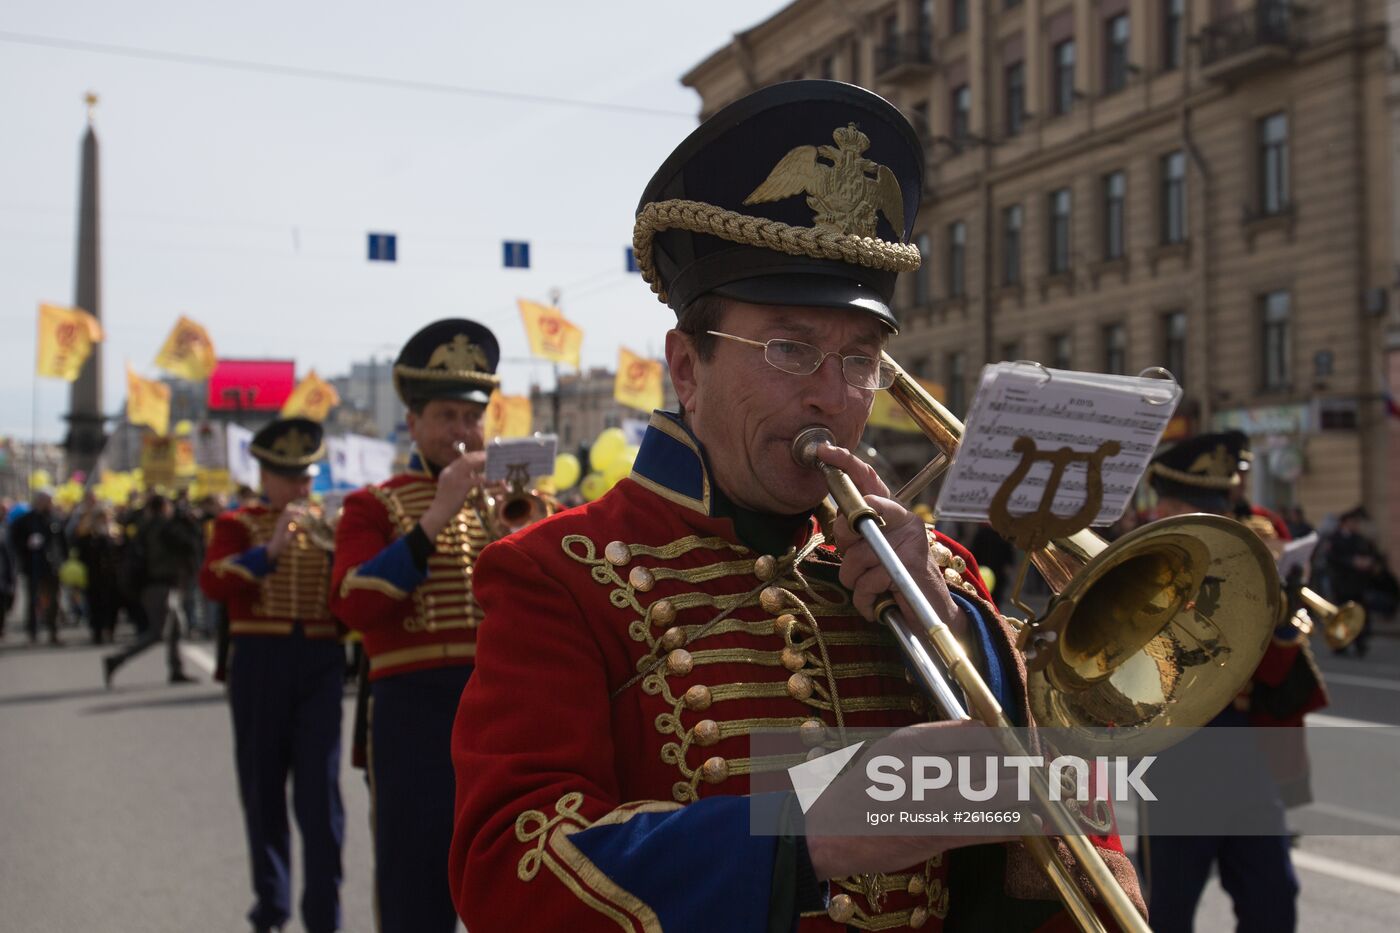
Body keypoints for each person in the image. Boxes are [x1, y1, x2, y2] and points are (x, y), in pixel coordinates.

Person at [448, 81, 1141, 931]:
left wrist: (960, 636)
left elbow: (1071, 847)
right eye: (788, 348)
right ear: (687, 365)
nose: (832, 397)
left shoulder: (938, 574)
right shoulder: (554, 574)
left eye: (858, 359)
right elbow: (508, 873)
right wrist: (809, 827)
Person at [329, 318, 502, 933]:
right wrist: (433, 518)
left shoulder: (512, 499)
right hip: (411, 712)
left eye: (471, 416)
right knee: (413, 878)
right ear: (413, 425)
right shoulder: (374, 505)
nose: (461, 431)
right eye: (447, 416)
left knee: (511, 869)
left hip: (498, 705)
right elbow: (352, 600)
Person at [1138, 430, 1327, 933]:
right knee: (1167, 908)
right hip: (1177, 749)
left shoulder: (1248, 551)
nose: (1217, 518)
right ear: (1166, 507)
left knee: (1273, 897)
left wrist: (1281, 617)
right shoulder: (1144, 560)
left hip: (1244, 749)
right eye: (1194, 507)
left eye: (1218, 506)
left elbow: (1272, 674)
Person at [199, 418, 345, 933]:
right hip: (261, 660)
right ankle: (272, 908)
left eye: (306, 477)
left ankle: (325, 916)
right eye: (289, 477)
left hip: (321, 662)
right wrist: (272, 550)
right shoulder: (240, 525)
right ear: (265, 475)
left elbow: (350, 600)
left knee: (320, 796)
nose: (301, 488)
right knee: (263, 791)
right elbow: (215, 582)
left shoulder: (331, 525)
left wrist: (336, 553)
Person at [102, 492, 202, 685]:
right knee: (159, 633)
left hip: (156, 585)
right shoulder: (163, 528)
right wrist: (189, 523)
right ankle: (116, 660)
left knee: (176, 628)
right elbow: (189, 546)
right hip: (160, 585)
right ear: (164, 508)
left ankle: (176, 670)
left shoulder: (145, 527)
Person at [9, 490, 65, 645]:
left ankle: (53, 631)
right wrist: (26, 545)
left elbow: (61, 542)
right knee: (33, 600)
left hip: (51, 566)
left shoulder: (55, 519)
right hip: (32, 565)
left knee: (53, 600)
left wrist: (62, 561)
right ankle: (32, 632)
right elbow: (14, 541)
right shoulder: (25, 520)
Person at [74, 505, 123, 644]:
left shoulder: (116, 533)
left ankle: (110, 630)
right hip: (94, 575)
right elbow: (81, 552)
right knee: (95, 604)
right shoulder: (87, 535)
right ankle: (97, 632)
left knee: (112, 604)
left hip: (112, 575)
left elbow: (121, 552)